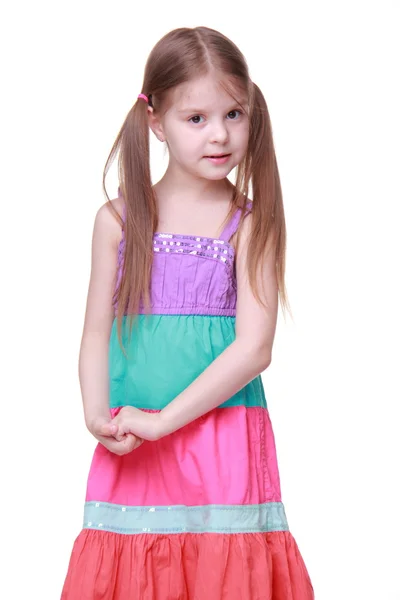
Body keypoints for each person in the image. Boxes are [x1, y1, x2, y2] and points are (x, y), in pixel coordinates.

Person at [61, 25, 314, 600]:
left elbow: (254, 349)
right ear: (156, 123)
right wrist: (97, 413)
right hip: (134, 442)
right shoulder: (119, 222)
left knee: (219, 570)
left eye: (233, 113)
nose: (219, 134)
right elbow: (95, 332)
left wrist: (162, 422)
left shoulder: (250, 224)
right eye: (195, 118)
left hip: (221, 437)